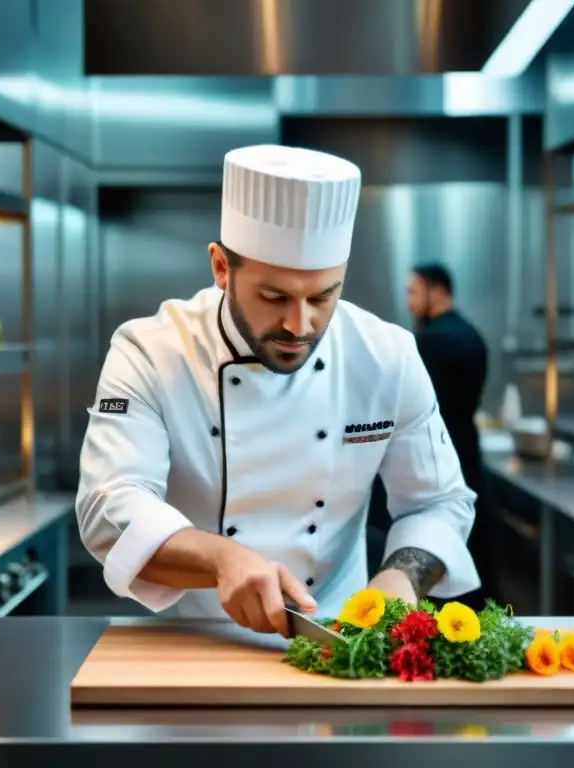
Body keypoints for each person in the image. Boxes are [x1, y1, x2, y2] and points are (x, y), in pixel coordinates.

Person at [77, 144, 479, 638]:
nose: (299, 324)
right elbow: (109, 508)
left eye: (323, 297)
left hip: (339, 641)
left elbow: (439, 502)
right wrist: (221, 559)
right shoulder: (151, 352)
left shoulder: (387, 355)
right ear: (221, 268)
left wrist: (401, 579)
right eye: (274, 297)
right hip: (195, 646)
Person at [405, 265, 489, 604]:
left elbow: (423, 415)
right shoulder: (470, 332)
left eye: (413, 292)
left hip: (443, 461)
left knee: (450, 564)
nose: (409, 302)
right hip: (469, 455)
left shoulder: (434, 340)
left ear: (437, 292)